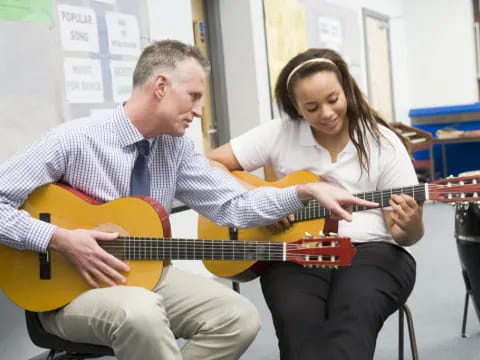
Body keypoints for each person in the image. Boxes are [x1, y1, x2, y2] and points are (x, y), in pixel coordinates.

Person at [0, 41, 376, 360]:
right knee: (141, 313)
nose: (199, 111)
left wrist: (300, 192)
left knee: (237, 318)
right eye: (194, 97)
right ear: (161, 86)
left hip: (146, 276)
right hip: (65, 292)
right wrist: (58, 238)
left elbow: (233, 207)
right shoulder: (73, 140)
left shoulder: (177, 150)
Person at [207, 48, 424, 360]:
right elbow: (209, 165)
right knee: (297, 320)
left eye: (333, 99)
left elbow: (405, 236)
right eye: (311, 107)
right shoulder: (280, 133)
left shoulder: (383, 142)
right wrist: (262, 200)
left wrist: (411, 224)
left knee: (353, 311)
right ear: (296, 107)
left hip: (374, 250)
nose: (326, 113)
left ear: (346, 89)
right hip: (296, 249)